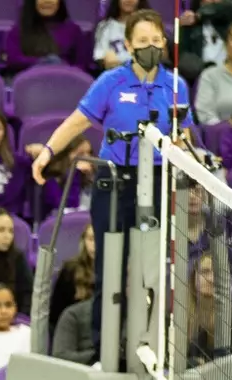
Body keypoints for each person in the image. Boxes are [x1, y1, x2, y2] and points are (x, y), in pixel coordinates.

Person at [30, 10, 189, 355]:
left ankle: (151, 346)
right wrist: (47, 152)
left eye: (156, 40)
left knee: (150, 270)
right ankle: (105, 349)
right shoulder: (111, 82)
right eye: (142, 41)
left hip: (159, 181)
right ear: (129, 45)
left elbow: (184, 135)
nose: (150, 47)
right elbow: (76, 122)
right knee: (110, 267)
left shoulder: (176, 85)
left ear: (165, 42)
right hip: (115, 181)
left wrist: (185, 151)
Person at [185, 252, 232, 365]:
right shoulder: (184, 316)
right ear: (194, 277)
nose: (211, 279)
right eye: (205, 272)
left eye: (217, 273)